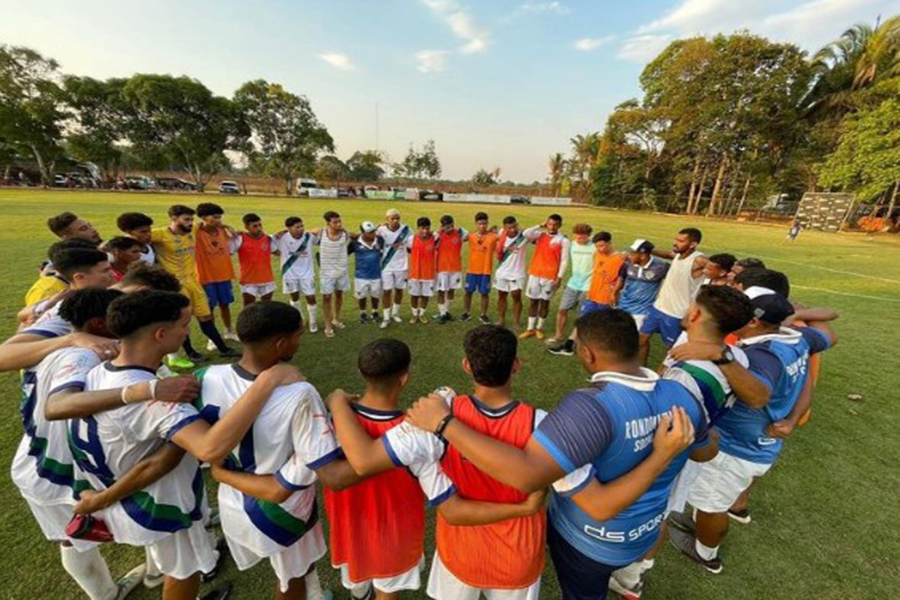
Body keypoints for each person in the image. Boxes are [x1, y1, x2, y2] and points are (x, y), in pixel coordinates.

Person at [405, 310, 705, 600]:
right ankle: (631, 579)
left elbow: (532, 478)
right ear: (517, 365)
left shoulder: (586, 410)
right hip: (639, 533)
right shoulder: (682, 395)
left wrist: (445, 423)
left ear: (587, 354)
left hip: (584, 541)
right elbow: (706, 449)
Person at [69, 290, 303, 600]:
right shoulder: (160, 402)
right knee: (183, 571)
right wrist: (267, 381)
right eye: (184, 324)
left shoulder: (102, 371)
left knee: (177, 566)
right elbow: (208, 450)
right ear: (161, 334)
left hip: (120, 488)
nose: (187, 331)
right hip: (157, 504)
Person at [327, 327, 549, 600]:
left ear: (466, 366)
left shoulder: (434, 418)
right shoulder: (544, 426)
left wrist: (337, 404)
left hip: (459, 554)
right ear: (516, 365)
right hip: (518, 555)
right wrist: (526, 507)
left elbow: (364, 460)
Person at [194, 301, 362, 600]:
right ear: (281, 343)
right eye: (297, 336)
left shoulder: (205, 377)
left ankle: (313, 595)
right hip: (282, 510)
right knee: (289, 582)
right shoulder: (299, 393)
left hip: (233, 499)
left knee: (295, 570)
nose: (300, 341)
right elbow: (329, 472)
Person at [665, 288, 836, 574]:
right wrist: (793, 419)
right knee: (714, 497)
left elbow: (757, 396)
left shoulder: (760, 356)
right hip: (761, 444)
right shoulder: (796, 338)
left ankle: (706, 553)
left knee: (712, 505)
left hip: (735, 448)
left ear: (754, 322)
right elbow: (828, 341)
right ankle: (709, 520)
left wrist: (721, 354)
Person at [608, 285, 752, 598]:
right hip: (696, 446)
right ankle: (632, 574)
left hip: (673, 455)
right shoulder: (735, 357)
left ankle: (629, 577)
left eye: (691, 304)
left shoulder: (687, 376)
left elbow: (664, 424)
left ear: (696, 313)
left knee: (651, 514)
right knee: (663, 510)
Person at [11, 289, 149, 600]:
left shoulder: (44, 350)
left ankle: (108, 593)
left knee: (72, 534)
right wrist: (144, 391)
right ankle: (140, 580)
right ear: (99, 323)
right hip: (63, 467)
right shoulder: (84, 356)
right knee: (114, 516)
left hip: (35, 458)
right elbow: (62, 404)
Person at [150, 204, 237, 367]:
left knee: (206, 316)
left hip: (194, 282)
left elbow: (211, 223)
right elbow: (135, 239)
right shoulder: (159, 234)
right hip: (175, 286)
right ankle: (190, 352)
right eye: (186, 219)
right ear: (174, 219)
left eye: (192, 219)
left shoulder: (193, 231)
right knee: (183, 320)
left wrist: (226, 225)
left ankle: (223, 349)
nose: (191, 223)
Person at [547, 232, 626, 357]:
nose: (600, 249)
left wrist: (615, 293)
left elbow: (624, 278)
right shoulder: (598, 254)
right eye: (597, 246)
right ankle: (569, 346)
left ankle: (603, 354)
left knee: (601, 327)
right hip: (592, 296)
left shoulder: (621, 259)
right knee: (582, 321)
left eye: (602, 246)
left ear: (610, 242)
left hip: (605, 299)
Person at [639, 228, 707, 364]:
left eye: (681, 241)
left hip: (676, 314)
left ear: (693, 244)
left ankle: (668, 375)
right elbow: (669, 254)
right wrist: (649, 249)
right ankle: (641, 370)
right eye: (676, 239)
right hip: (658, 308)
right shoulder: (678, 254)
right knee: (641, 339)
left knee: (674, 349)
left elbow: (715, 264)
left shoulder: (698, 260)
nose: (675, 243)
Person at [25, 213, 103, 306]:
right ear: (67, 237)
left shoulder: (99, 254)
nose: (93, 230)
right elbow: (32, 319)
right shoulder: (47, 290)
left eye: (90, 226)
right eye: (83, 229)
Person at [521, 214, 569, 340]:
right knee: (533, 301)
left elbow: (564, 261)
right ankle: (530, 328)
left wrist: (559, 277)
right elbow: (526, 233)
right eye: (549, 224)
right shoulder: (540, 235)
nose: (552, 227)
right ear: (546, 224)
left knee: (544, 302)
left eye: (555, 224)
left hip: (550, 276)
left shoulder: (563, 240)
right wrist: (539, 225)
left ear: (560, 225)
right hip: (535, 274)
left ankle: (539, 328)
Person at [194, 203, 238, 342]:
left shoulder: (222, 231)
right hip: (206, 277)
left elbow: (234, 236)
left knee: (225, 305)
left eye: (220, 217)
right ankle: (212, 339)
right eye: (215, 217)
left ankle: (228, 331)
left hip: (224, 275)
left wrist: (225, 227)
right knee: (209, 308)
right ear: (203, 218)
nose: (219, 220)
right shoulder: (196, 233)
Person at [549, 223, 594, 344]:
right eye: (576, 236)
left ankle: (575, 339)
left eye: (582, 237)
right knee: (562, 309)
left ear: (588, 235)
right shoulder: (571, 245)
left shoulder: (594, 247)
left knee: (582, 314)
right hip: (573, 283)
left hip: (588, 286)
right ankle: (559, 335)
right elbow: (557, 247)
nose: (579, 239)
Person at [274, 216, 319, 332]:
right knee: (294, 297)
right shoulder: (282, 237)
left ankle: (313, 322)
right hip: (289, 273)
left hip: (307, 273)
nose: (301, 229)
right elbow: (271, 247)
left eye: (302, 226)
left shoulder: (309, 237)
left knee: (311, 297)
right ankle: (300, 319)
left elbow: (321, 234)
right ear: (289, 228)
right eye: (297, 227)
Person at [615, 239, 669, 332]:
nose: (630, 255)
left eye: (634, 253)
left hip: (642, 311)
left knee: (637, 338)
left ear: (643, 256)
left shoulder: (661, 266)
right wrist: (614, 293)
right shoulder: (628, 263)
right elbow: (621, 278)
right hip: (623, 306)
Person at [494, 216, 536, 328]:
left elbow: (538, 237)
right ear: (504, 227)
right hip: (502, 271)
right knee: (501, 296)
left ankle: (516, 322)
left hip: (517, 272)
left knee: (516, 296)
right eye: (509, 228)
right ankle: (501, 320)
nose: (512, 230)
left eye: (514, 227)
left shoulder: (524, 236)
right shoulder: (501, 232)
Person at [318, 211, 353, 338]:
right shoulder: (321, 233)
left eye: (340, 221)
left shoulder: (345, 234)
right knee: (326, 298)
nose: (339, 224)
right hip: (326, 273)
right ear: (328, 223)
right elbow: (304, 233)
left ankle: (336, 319)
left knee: (339, 295)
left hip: (341, 271)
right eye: (335, 222)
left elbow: (359, 235)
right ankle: (328, 325)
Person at [460, 212, 498, 324]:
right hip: (472, 270)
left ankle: (483, 314)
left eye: (485, 224)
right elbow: (457, 236)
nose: (482, 226)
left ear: (487, 223)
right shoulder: (470, 235)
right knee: (468, 292)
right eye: (480, 224)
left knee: (484, 293)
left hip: (485, 270)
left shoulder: (493, 236)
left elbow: (507, 234)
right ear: (476, 224)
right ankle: (466, 312)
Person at [377, 208, 411, 324]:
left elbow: (412, 245)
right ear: (387, 219)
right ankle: (386, 317)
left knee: (399, 290)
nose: (395, 221)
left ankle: (395, 313)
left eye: (397, 218)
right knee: (386, 291)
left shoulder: (406, 230)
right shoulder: (380, 230)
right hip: (386, 266)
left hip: (402, 265)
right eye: (393, 219)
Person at [233, 213, 275, 306]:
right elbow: (228, 252)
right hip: (248, 279)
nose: (259, 228)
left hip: (267, 279)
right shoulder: (240, 239)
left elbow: (278, 251)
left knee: (267, 306)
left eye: (260, 225)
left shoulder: (268, 239)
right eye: (254, 226)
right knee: (249, 306)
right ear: (246, 227)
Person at [434, 215, 468, 324]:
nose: (450, 229)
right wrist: (439, 232)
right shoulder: (438, 235)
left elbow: (470, 236)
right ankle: (442, 313)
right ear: (442, 226)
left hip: (455, 268)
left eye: (451, 226)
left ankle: (447, 311)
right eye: (447, 227)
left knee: (451, 290)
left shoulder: (459, 233)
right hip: (442, 268)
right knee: (441, 290)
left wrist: (458, 229)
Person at [350, 221, 383, 326]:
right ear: (362, 233)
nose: (372, 234)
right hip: (361, 276)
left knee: (375, 295)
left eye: (373, 231)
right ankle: (362, 313)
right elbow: (343, 253)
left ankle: (375, 312)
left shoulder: (380, 240)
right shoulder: (355, 243)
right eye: (369, 232)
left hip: (376, 274)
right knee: (362, 297)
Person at [407, 217, 438, 325]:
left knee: (425, 295)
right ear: (418, 228)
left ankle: (422, 314)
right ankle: (414, 314)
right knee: (414, 295)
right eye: (422, 228)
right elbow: (408, 250)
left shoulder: (434, 238)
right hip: (415, 273)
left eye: (427, 228)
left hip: (429, 273)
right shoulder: (411, 239)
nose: (425, 231)